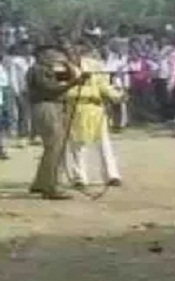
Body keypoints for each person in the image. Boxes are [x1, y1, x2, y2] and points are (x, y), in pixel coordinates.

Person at [27, 44, 84, 200]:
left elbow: (69, 77)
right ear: (42, 55)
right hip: (46, 106)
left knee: (53, 147)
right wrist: (73, 83)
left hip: (54, 106)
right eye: (53, 53)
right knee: (54, 147)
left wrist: (68, 64)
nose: (56, 56)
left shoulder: (49, 70)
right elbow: (50, 89)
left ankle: (41, 182)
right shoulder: (38, 70)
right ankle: (51, 186)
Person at [64, 43, 123, 187]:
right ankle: (80, 177)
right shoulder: (61, 69)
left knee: (103, 142)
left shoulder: (93, 65)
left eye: (75, 51)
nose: (73, 54)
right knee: (77, 144)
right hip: (76, 109)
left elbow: (103, 86)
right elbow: (63, 91)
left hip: (95, 109)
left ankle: (111, 175)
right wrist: (77, 81)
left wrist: (116, 95)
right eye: (69, 52)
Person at [4, 41, 32, 144]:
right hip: (22, 90)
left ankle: (32, 133)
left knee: (32, 112)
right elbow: (13, 77)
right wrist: (16, 91)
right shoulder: (15, 61)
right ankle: (22, 134)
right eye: (26, 48)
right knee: (22, 113)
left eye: (30, 48)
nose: (29, 49)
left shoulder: (33, 60)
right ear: (22, 49)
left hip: (33, 90)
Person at [103, 44, 130, 130]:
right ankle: (108, 123)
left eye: (107, 51)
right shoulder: (102, 63)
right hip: (105, 84)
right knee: (107, 106)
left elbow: (124, 75)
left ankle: (118, 124)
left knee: (118, 105)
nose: (105, 52)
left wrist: (125, 86)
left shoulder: (119, 63)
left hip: (116, 83)